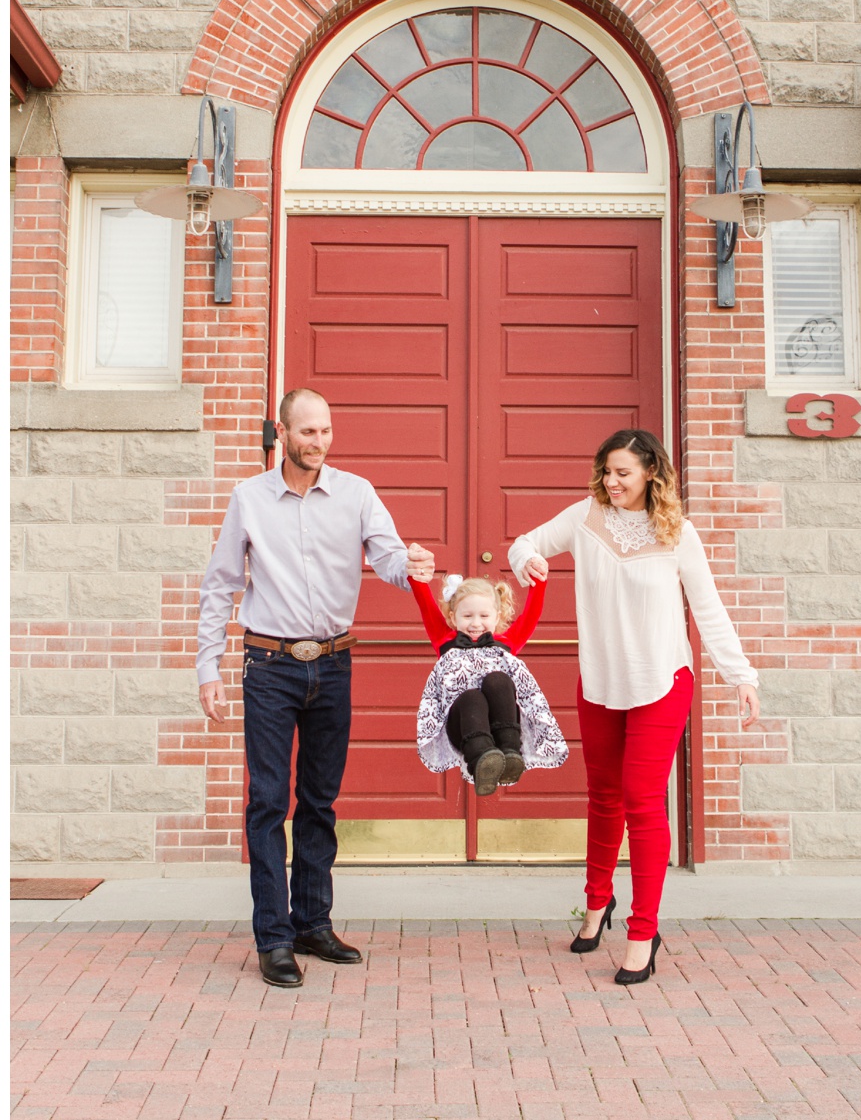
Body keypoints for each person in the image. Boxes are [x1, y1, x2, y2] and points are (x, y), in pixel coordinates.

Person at [196, 388, 434, 988]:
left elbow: (388, 559)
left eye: (326, 431)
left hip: (332, 665)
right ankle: (274, 938)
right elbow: (220, 585)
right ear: (282, 433)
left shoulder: (356, 493)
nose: (319, 442)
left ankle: (312, 923)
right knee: (269, 803)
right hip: (269, 665)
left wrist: (417, 567)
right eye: (307, 432)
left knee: (320, 802)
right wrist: (208, 667)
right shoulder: (249, 498)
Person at [508, 428, 760, 985]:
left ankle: (643, 933)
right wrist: (528, 560)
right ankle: (597, 905)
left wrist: (741, 675)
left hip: (661, 682)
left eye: (622, 472)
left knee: (642, 801)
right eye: (606, 471)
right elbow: (522, 542)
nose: (611, 481)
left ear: (651, 473)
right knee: (602, 796)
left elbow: (709, 609)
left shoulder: (678, 533)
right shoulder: (583, 518)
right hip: (600, 682)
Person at [410, 572, 568, 795]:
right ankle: (482, 760)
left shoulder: (506, 643)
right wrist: (416, 576)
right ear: (453, 618)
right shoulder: (445, 641)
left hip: (502, 725)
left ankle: (510, 753)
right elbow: (425, 605)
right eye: (467, 616)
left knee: (498, 680)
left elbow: (531, 615)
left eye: (484, 615)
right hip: (464, 728)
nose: (476, 623)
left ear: (497, 616)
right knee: (471, 696)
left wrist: (539, 581)